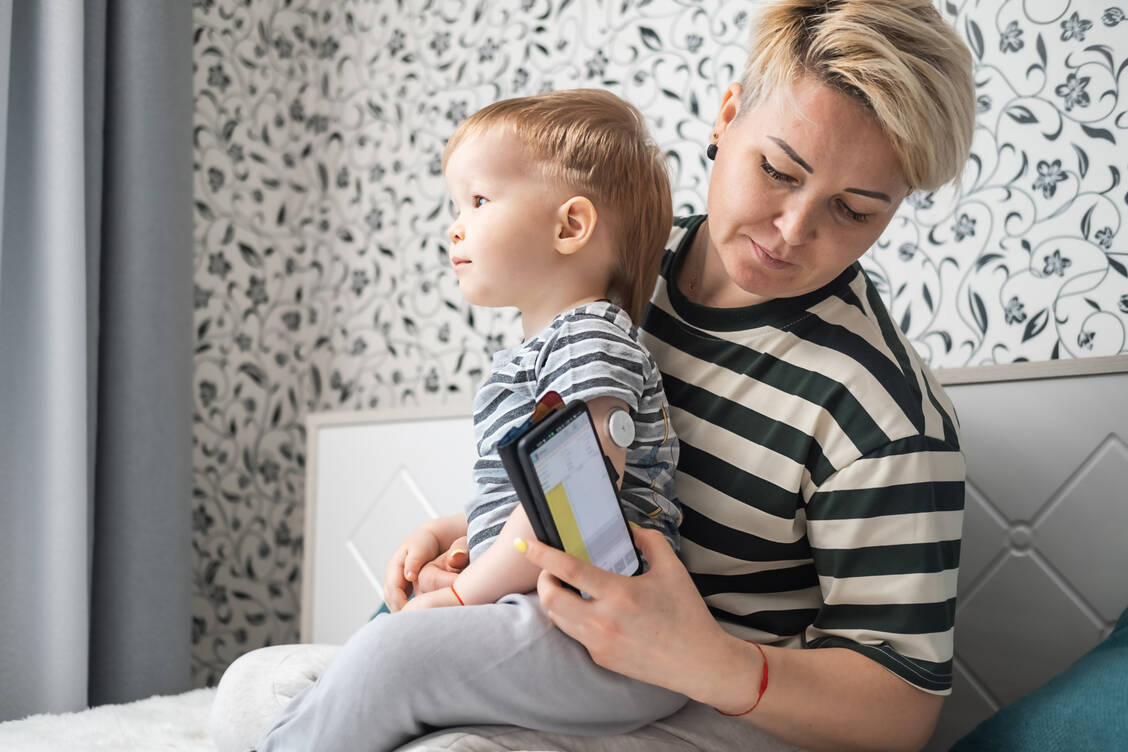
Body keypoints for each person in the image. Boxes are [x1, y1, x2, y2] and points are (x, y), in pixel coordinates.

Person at [212, 1, 974, 750]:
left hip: (723, 706)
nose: (793, 229)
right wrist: (476, 532)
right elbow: (597, 471)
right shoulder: (620, 269)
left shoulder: (883, 412)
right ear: (727, 115)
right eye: (777, 170)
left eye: (853, 210)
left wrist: (709, 662)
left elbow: (901, 711)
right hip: (560, 634)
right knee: (253, 688)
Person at [244, 89, 687, 751]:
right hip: (555, 622)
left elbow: (576, 491)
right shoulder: (541, 353)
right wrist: (449, 531)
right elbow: (530, 498)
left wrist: (463, 597)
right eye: (457, 206)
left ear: (570, 227)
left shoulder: (590, 337)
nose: (456, 225)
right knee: (375, 639)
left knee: (399, 654)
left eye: (478, 202)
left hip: (614, 637)